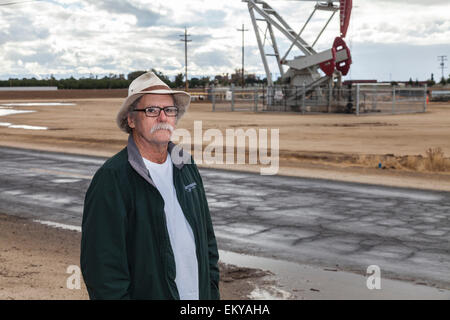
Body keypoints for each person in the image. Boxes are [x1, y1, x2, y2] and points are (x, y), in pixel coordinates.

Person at [80, 71, 220, 300]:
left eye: (169, 110)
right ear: (131, 119)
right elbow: (103, 273)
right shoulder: (112, 179)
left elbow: (208, 243)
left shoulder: (186, 165)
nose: (163, 117)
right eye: (151, 110)